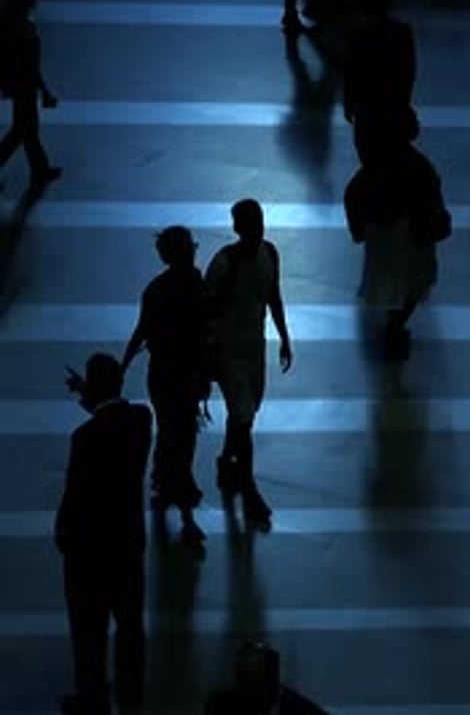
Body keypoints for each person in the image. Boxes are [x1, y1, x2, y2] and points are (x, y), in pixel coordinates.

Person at [55, 353, 152, 715]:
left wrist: (63, 537)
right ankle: (131, 693)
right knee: (130, 624)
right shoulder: (142, 421)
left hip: (89, 552)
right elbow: (112, 417)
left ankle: (92, 697)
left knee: (89, 632)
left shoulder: (84, 439)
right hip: (127, 545)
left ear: (95, 388)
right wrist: (90, 394)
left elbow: (75, 497)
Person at [204, 199, 292, 526]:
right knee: (242, 416)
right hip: (230, 352)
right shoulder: (224, 264)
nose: (257, 229)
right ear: (239, 228)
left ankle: (227, 459)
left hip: (254, 348)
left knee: (245, 414)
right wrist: (209, 355)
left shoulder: (268, 254)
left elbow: (274, 297)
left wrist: (283, 336)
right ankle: (249, 487)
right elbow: (206, 313)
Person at [121, 225, 208, 546]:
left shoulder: (157, 290)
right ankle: (181, 497)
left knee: (174, 431)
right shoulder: (194, 283)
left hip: (167, 372)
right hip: (181, 373)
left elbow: (141, 331)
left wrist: (124, 363)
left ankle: (164, 480)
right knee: (181, 435)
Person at [344, 133, 451, 359]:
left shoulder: (380, 163)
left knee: (396, 283)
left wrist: (358, 228)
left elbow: (353, 193)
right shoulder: (418, 165)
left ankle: (394, 324)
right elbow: (433, 195)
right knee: (415, 283)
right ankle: (395, 325)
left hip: (387, 232)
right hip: (414, 233)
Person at [0, 0, 61, 191]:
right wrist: (44, 90)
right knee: (23, 130)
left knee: (26, 130)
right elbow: (30, 64)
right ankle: (40, 170)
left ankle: (41, 169)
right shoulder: (24, 26)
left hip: (18, 82)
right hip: (24, 83)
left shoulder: (14, 22)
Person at [343, 0, 418, 155]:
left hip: (371, 108)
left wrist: (349, 103)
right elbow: (408, 73)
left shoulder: (358, 37)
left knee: (372, 154)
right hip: (386, 107)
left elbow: (351, 73)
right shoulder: (401, 33)